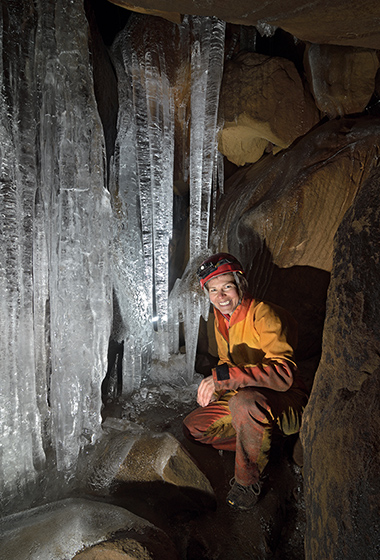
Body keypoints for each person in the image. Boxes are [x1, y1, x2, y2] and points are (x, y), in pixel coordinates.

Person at [183, 253, 308, 510]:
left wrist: (222, 379)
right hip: (245, 396)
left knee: (245, 404)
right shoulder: (219, 321)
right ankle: (263, 444)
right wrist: (217, 389)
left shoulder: (266, 315)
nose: (221, 297)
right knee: (193, 429)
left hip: (285, 400)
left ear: (240, 285)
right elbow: (227, 362)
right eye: (214, 290)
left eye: (227, 287)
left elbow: (284, 375)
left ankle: (247, 480)